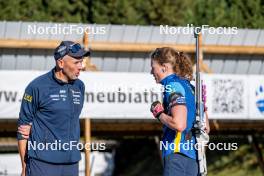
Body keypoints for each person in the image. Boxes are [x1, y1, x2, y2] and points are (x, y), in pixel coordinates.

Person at [17, 41, 89, 176]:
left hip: (71, 163)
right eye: (76, 62)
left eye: (82, 61)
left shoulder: (80, 86)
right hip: (42, 163)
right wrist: (24, 166)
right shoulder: (36, 87)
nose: (81, 66)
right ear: (61, 63)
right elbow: (23, 128)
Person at [149, 47, 209, 176]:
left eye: (153, 67)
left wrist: (159, 114)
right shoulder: (192, 87)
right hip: (194, 159)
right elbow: (206, 127)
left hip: (177, 155)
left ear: (164, 67)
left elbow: (179, 124)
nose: (151, 72)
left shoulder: (172, 85)